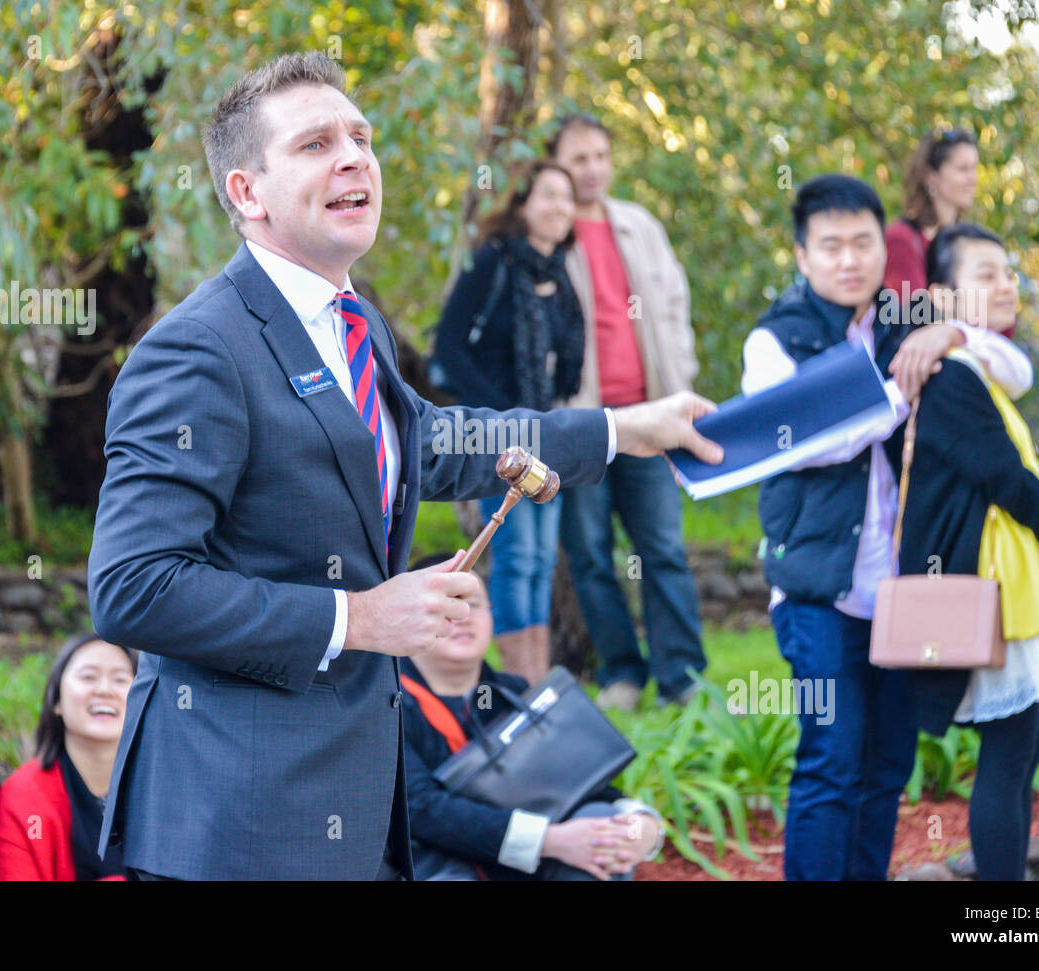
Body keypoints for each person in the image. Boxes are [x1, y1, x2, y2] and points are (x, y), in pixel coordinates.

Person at [87, 52, 723, 881]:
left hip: (354, 816)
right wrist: (359, 619)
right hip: (237, 825)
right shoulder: (197, 349)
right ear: (247, 192)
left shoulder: (357, 327)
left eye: (361, 136)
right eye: (317, 144)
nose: (355, 156)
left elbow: (436, 442)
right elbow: (133, 585)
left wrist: (623, 428)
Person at [740, 174, 1035, 881]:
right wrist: (901, 393)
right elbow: (807, 439)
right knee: (831, 760)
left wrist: (953, 330)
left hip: (909, 592)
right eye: (831, 245)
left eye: (863, 243)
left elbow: (1014, 369)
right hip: (819, 590)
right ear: (803, 255)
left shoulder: (910, 315)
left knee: (887, 767)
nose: (849, 260)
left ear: (884, 245)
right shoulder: (774, 339)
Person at [898, 223, 1039, 880]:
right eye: (985, 274)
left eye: (1008, 271)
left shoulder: (982, 369)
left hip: (1019, 590)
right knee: (1005, 766)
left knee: (1021, 758)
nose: (1005, 284)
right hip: (992, 598)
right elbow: (1010, 482)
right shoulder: (950, 378)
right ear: (943, 297)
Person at [547, 113, 707, 711]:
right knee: (590, 554)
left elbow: (673, 304)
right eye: (577, 158)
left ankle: (681, 676)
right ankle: (621, 673)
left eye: (599, 156)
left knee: (661, 546)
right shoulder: (551, 231)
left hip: (651, 416)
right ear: (557, 163)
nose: (591, 169)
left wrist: (680, 383)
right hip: (583, 423)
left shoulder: (639, 225)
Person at [400, 553, 663, 880]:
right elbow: (419, 808)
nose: (463, 617)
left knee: (600, 830)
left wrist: (642, 825)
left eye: (474, 604)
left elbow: (576, 782)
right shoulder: (387, 702)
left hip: (518, 859)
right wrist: (548, 840)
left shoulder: (516, 693)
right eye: (447, 605)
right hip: (433, 862)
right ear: (412, 616)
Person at [433, 160, 585, 684]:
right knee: (517, 557)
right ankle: (524, 685)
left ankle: (537, 686)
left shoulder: (559, 276)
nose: (559, 207)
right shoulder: (491, 263)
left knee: (541, 560)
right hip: (498, 439)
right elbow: (448, 349)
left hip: (545, 436)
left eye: (566, 198)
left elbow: (566, 361)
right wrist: (500, 415)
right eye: (547, 195)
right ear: (521, 205)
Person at [0, 633, 137, 880]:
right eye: (88, 676)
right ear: (56, 699)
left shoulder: (170, 791)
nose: (104, 690)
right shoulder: (24, 797)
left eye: (120, 679)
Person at [882, 128, 979, 299]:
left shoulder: (970, 241)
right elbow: (913, 315)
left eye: (974, 168)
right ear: (932, 176)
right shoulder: (902, 239)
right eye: (963, 169)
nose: (973, 178)